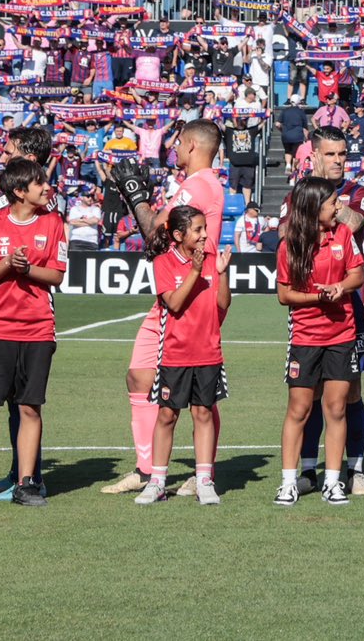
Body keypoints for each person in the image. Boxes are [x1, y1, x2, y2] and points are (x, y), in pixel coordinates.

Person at [101, 121, 225, 497]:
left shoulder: (195, 185)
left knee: (199, 394)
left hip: (187, 295)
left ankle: (181, 472)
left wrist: (135, 195)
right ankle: (158, 469)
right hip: (187, 289)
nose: (174, 150)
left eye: (177, 143)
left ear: (190, 144)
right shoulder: (208, 185)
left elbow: (156, 231)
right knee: (140, 376)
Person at [0, 159, 65, 508]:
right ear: (20, 191)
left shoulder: (54, 223)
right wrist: (8, 263)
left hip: (38, 330)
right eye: (40, 184)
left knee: (30, 408)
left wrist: (28, 268)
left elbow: (57, 276)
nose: (46, 188)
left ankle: (26, 484)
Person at [275, 177, 364, 507]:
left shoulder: (343, 234)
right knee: (299, 409)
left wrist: (341, 286)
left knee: (336, 409)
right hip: (305, 337)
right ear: (314, 208)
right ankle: (288, 482)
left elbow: (358, 273)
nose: (337, 208)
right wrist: (318, 297)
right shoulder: (289, 246)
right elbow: (284, 295)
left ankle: (332, 482)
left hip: (342, 335)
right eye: (331, 204)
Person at [136, 206, 233, 507]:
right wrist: (195, 269)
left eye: (205, 229)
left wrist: (223, 273)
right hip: (174, 355)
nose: (205, 234)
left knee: (203, 413)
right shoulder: (164, 263)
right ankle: (157, 481)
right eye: (198, 230)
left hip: (208, 352)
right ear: (179, 236)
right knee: (167, 415)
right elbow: (175, 304)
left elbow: (222, 307)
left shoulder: (213, 260)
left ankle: (204, 479)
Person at [300, 125, 364, 496]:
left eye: (342, 154)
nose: (338, 161)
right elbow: (285, 234)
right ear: (313, 155)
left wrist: (322, 202)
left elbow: (355, 222)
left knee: (351, 390)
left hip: (350, 307)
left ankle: (356, 469)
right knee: (309, 390)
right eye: (330, 154)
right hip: (309, 308)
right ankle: (309, 470)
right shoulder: (301, 193)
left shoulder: (358, 192)